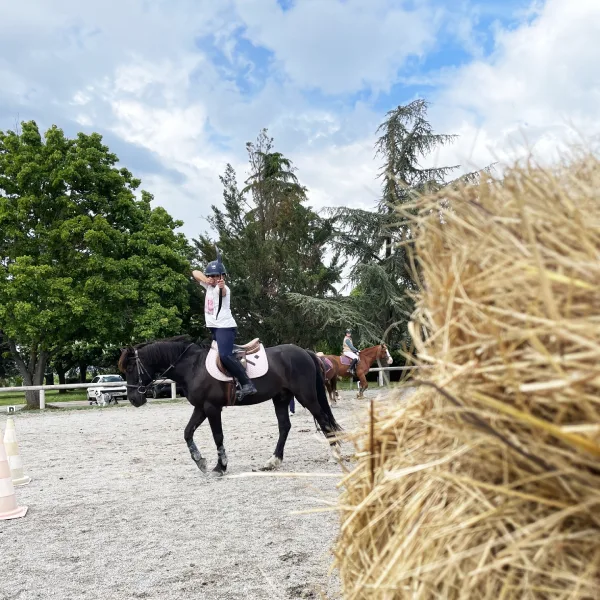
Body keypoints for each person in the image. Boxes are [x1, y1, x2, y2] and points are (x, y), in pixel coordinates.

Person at [191, 251, 257, 401]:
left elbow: (223, 291)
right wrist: (206, 279)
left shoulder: (223, 289)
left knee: (225, 355)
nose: (214, 278)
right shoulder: (208, 286)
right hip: (214, 329)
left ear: (223, 277)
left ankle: (247, 384)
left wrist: (220, 286)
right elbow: (194, 272)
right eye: (211, 275)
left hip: (225, 328)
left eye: (217, 276)